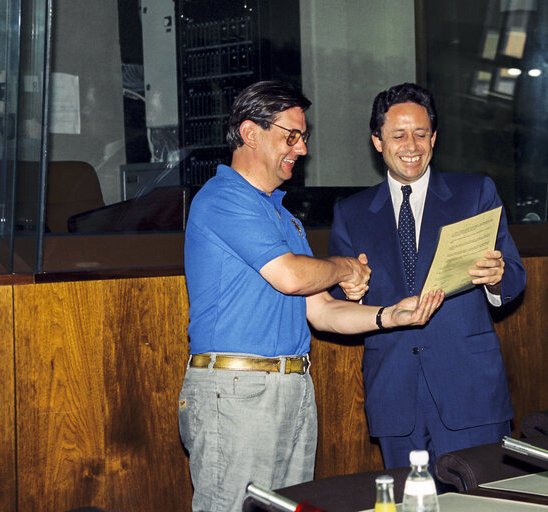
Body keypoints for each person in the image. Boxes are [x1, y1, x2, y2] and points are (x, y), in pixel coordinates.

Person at [178, 80, 443, 512]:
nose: (301, 150)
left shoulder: (283, 218)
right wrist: (346, 267)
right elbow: (290, 276)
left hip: (292, 388)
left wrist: (391, 316)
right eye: (291, 136)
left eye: (303, 138)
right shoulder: (224, 198)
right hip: (238, 390)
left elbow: (320, 311)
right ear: (250, 133)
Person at [329, 82, 526, 473]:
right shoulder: (351, 213)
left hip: (470, 389)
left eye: (421, 134)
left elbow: (515, 277)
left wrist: (496, 278)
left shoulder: (475, 193)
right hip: (394, 395)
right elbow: (336, 299)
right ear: (377, 141)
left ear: (434, 138)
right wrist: (351, 290)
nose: (411, 145)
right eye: (398, 135)